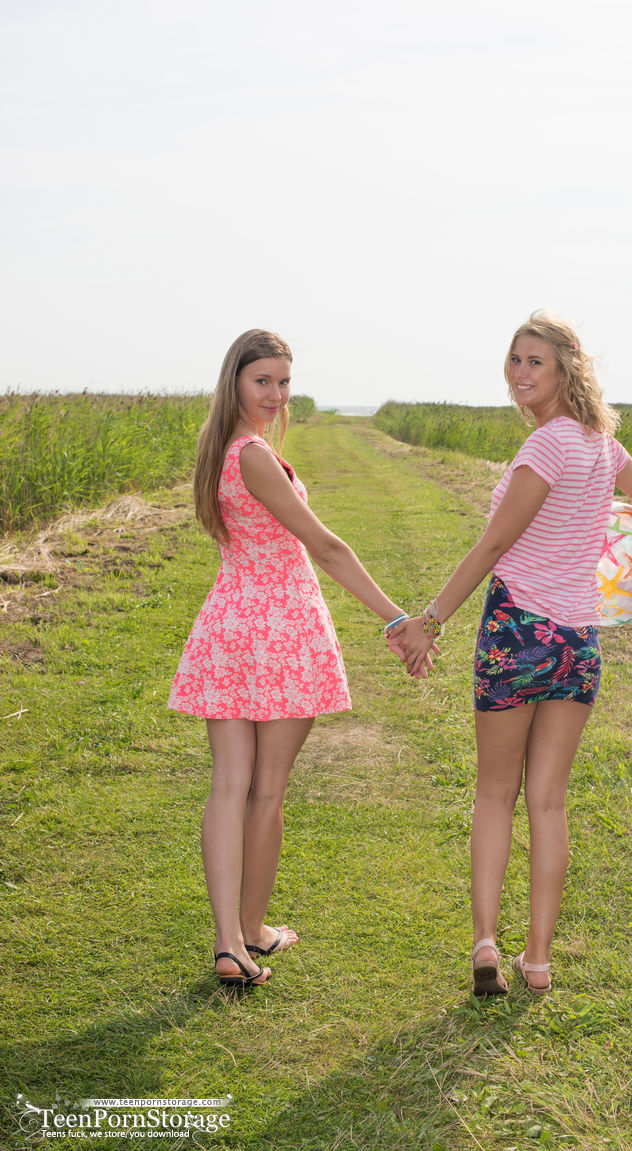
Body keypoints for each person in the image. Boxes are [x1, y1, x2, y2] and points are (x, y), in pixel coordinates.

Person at [389, 311, 632, 995]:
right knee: (548, 801)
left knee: (497, 792)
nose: (520, 373)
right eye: (514, 360)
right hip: (579, 642)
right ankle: (538, 961)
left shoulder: (547, 447)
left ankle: (487, 942)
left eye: (534, 362)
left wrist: (428, 621)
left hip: (518, 633)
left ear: (565, 369)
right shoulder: (602, 446)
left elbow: (492, 546)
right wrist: (622, 586)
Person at [169, 329, 415, 989]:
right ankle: (236, 936)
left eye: (283, 381)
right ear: (236, 384)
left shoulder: (227, 450)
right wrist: (395, 617)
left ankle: (247, 932)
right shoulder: (251, 455)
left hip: (233, 628)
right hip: (276, 633)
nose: (276, 394)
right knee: (260, 789)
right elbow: (327, 548)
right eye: (263, 382)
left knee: (236, 786)